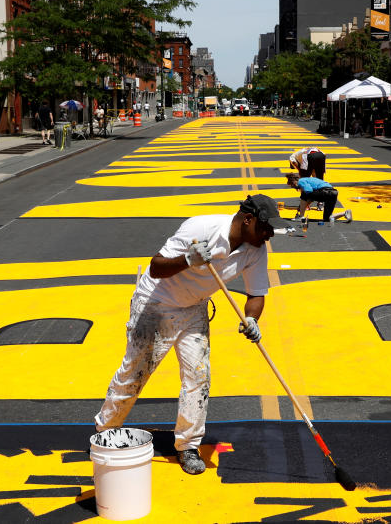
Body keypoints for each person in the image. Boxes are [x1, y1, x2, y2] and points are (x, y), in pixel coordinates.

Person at [95, 194, 289, 475]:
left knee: (198, 377)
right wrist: (188, 259)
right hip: (156, 303)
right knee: (134, 374)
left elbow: (256, 293)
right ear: (248, 219)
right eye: (265, 228)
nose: (268, 235)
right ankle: (105, 431)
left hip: (193, 308)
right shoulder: (201, 228)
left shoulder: (256, 249)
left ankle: (187, 445)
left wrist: (251, 318)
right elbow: (156, 267)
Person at [285, 171, 352, 224]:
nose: (293, 187)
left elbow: (309, 191)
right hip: (333, 193)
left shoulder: (301, 181)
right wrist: (304, 206)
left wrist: (302, 206)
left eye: (292, 185)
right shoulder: (307, 180)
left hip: (325, 191)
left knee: (304, 195)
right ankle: (345, 213)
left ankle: (301, 217)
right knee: (327, 218)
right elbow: (311, 196)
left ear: (294, 181)